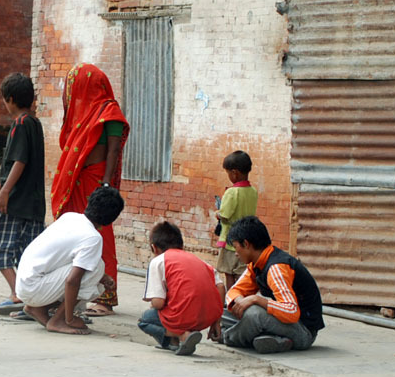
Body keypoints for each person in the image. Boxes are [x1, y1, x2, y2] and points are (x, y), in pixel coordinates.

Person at [50, 62, 129, 315]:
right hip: (77, 181)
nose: (71, 93)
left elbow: (113, 150)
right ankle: (72, 293)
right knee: (73, 235)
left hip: (95, 182)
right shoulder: (82, 115)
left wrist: (105, 183)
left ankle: (106, 299)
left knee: (101, 237)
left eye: (75, 86)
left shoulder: (109, 111)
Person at [14, 186, 123, 335]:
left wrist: (102, 277)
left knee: (95, 269)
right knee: (97, 267)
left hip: (25, 285)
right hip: (34, 287)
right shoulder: (93, 237)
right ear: (111, 219)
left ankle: (38, 309)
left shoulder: (70, 217)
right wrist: (70, 319)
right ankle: (59, 320)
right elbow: (72, 280)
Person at [0, 73, 46, 313]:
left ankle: (17, 292)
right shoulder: (35, 123)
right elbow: (24, 164)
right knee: (28, 252)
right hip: (33, 203)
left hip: (15, 202)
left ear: (9, 99)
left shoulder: (20, 124)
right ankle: (32, 297)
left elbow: (19, 161)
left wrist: (5, 191)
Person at [223, 216, 325, 353]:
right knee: (220, 313)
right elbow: (234, 291)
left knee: (254, 314)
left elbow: (291, 311)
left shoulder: (276, 268)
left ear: (246, 244)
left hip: (303, 331)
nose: (236, 254)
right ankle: (273, 339)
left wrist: (256, 299)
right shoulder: (256, 264)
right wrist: (241, 302)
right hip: (279, 323)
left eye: (236, 248)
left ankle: (227, 336)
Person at [138, 221, 223, 356]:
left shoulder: (159, 261)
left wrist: (153, 305)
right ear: (181, 245)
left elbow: (158, 303)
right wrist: (216, 321)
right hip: (207, 317)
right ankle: (175, 343)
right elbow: (220, 286)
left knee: (145, 320)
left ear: (154, 248)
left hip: (183, 316)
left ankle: (181, 335)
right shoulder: (199, 260)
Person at [214, 150, 258, 304]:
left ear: (235, 173)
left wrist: (217, 213)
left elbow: (225, 215)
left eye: (228, 173)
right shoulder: (253, 191)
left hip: (230, 240)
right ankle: (241, 298)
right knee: (242, 274)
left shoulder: (232, 192)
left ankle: (230, 299)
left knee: (229, 273)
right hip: (246, 239)